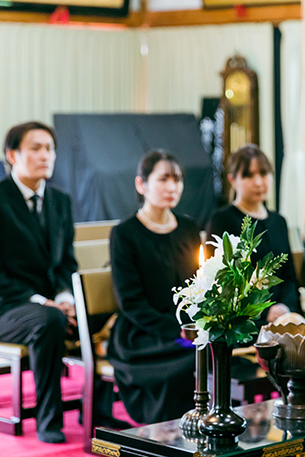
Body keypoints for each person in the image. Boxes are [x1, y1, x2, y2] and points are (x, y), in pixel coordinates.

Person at [0, 121, 93, 443]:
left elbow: (67, 262)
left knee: (101, 310)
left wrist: (67, 297)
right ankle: (50, 420)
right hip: (1, 307)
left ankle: (95, 408)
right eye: (35, 148)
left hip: (52, 305)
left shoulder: (60, 201)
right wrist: (42, 302)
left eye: (50, 148)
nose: (45, 155)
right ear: (12, 154)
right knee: (48, 320)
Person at [107, 150, 200, 424]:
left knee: (219, 349)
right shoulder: (125, 233)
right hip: (143, 333)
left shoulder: (189, 228)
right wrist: (180, 332)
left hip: (188, 327)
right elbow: (130, 302)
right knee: (190, 358)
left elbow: (199, 287)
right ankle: (170, 433)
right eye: (163, 179)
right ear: (141, 184)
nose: (172, 187)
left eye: (178, 179)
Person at [205, 144, 301, 325]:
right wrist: (264, 310)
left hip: (284, 316)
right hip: (245, 321)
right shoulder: (222, 220)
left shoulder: (278, 221)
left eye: (263, 173)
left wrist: (285, 307)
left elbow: (289, 277)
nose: (258, 182)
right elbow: (220, 282)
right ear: (233, 180)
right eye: (248, 175)